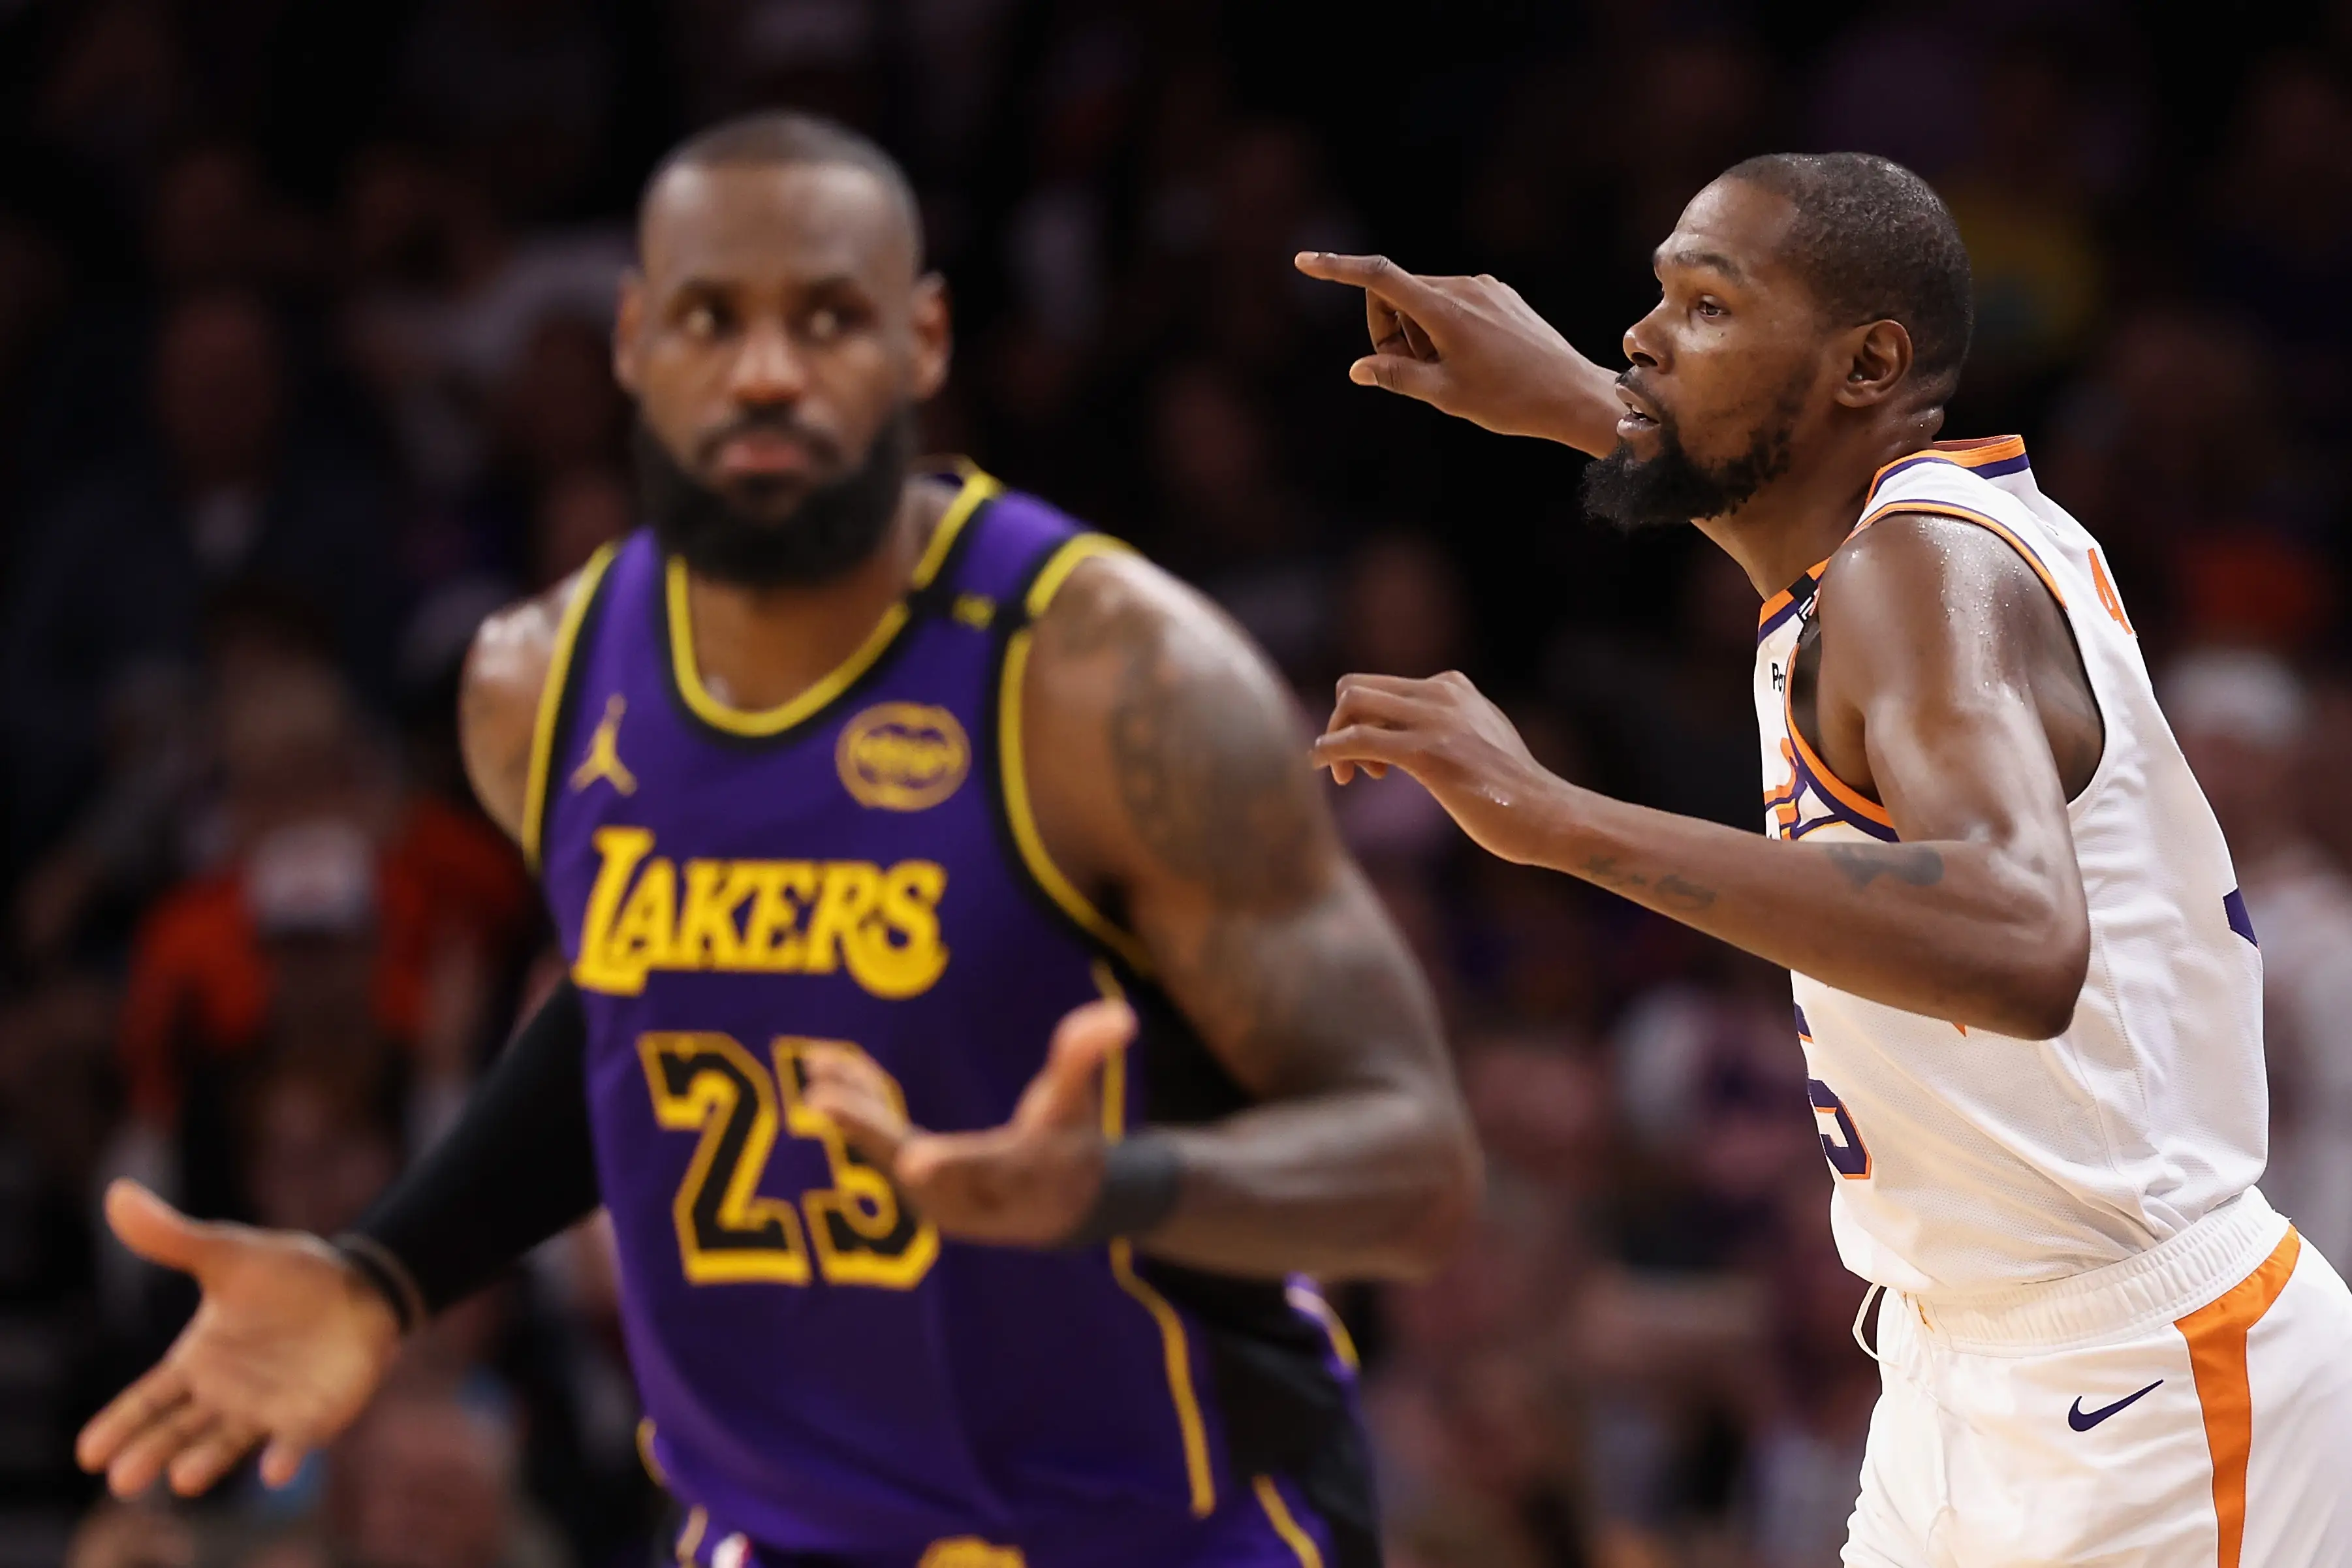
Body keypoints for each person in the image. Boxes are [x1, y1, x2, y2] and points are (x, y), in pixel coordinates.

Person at [76, 112, 1481, 1568]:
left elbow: (1417, 1167)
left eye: (827, 318)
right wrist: (383, 1271)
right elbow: (634, 1004)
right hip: (794, 1527)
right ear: (631, 339)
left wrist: (1110, 1189)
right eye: (710, 317)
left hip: (1155, 1523)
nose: (766, 371)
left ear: (924, 342)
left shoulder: (1110, 679)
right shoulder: (537, 689)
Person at [1295, 151, 2352, 1566]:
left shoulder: (1921, 571)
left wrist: (1557, 819)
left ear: (1867, 363)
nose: (1643, 335)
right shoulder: (1857, 557)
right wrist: (1563, 395)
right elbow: (1762, 510)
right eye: (1655, 296)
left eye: (1710, 305)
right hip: (1962, 1373)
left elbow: (2014, 935)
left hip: (2149, 1384)